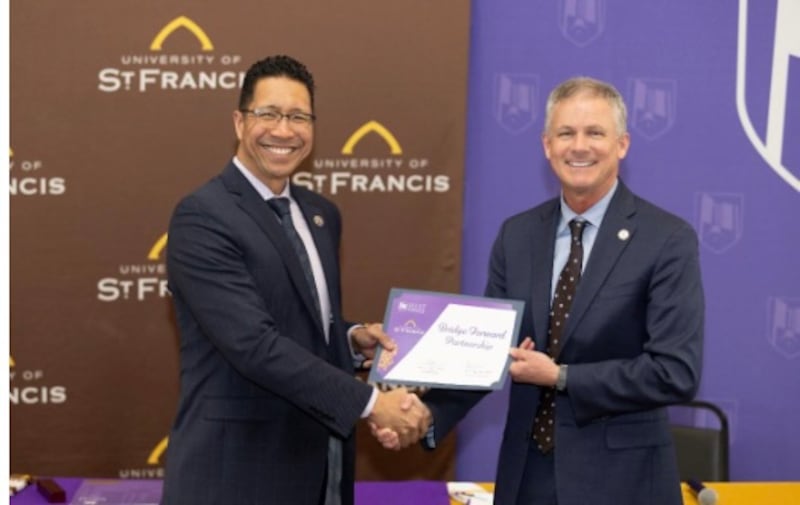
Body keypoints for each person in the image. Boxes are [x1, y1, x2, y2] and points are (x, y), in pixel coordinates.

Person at [377, 77, 705, 505]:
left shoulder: (666, 239)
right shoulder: (517, 236)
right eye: (566, 133)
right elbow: (483, 352)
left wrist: (560, 376)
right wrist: (425, 415)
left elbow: (675, 372)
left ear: (622, 144)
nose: (579, 146)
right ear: (547, 145)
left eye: (595, 133)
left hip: (623, 482)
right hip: (527, 477)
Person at [160, 55, 429, 505]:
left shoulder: (322, 214)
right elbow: (255, 345)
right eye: (269, 114)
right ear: (240, 122)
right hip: (236, 477)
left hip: (320, 469)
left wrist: (349, 338)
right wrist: (370, 404)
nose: (284, 131)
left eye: (299, 117)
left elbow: (299, 320)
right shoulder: (202, 217)